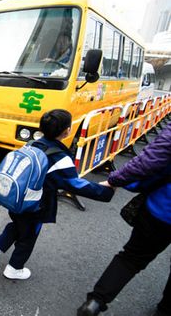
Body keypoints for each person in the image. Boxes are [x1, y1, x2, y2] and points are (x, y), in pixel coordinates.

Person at [0, 109, 114, 280]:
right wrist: (106, 190)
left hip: (17, 198)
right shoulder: (59, 157)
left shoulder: (32, 143)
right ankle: (14, 268)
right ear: (67, 130)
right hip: (36, 205)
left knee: (18, 224)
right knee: (28, 236)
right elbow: (76, 184)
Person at [78, 123, 171, 316]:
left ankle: (95, 302)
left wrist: (114, 180)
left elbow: (150, 160)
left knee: (131, 258)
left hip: (162, 208)